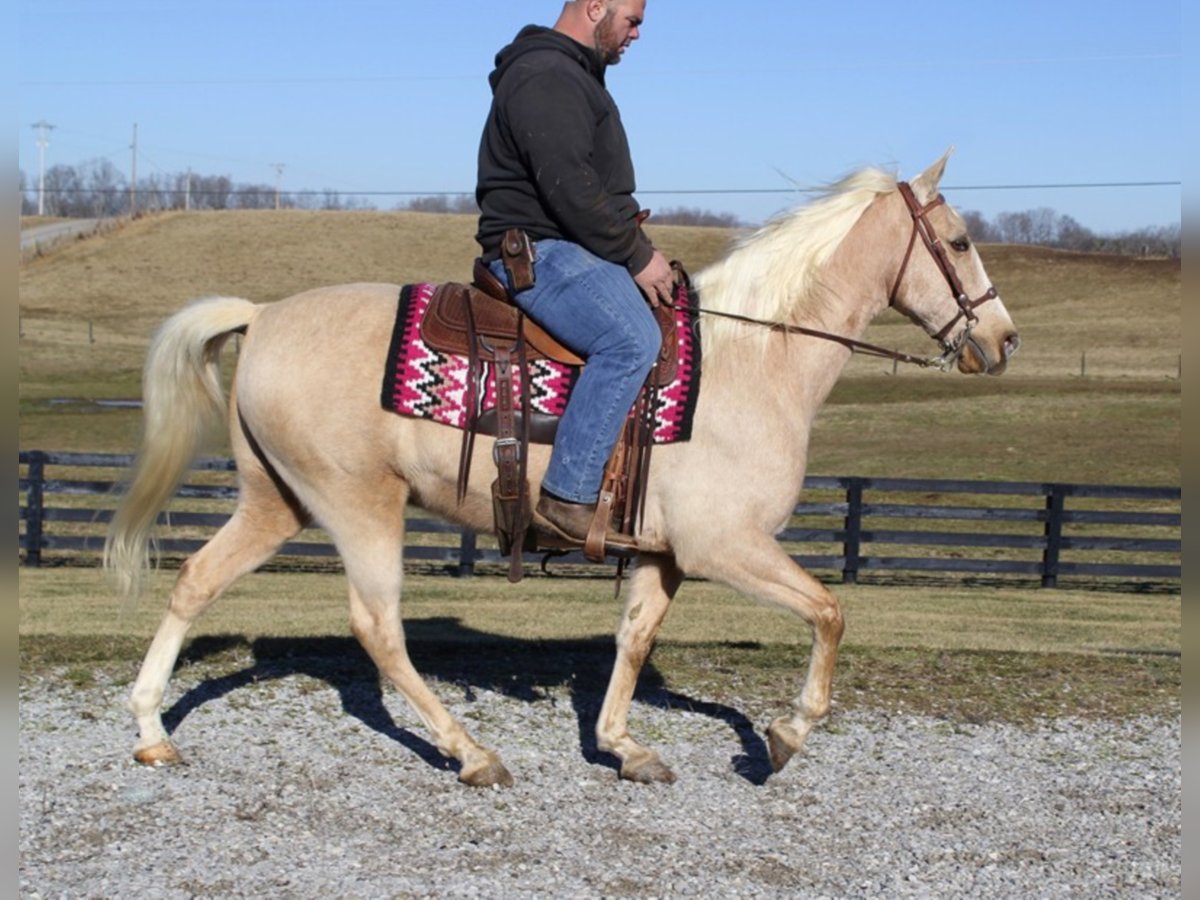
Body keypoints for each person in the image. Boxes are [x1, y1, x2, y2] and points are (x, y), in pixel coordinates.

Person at [474, 0, 675, 552]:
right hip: (540, 251)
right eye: (632, 20)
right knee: (631, 339)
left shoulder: (573, 76)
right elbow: (568, 185)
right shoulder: (546, 73)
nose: (636, 34)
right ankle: (567, 495)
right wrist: (636, 255)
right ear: (594, 7)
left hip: (568, 245)